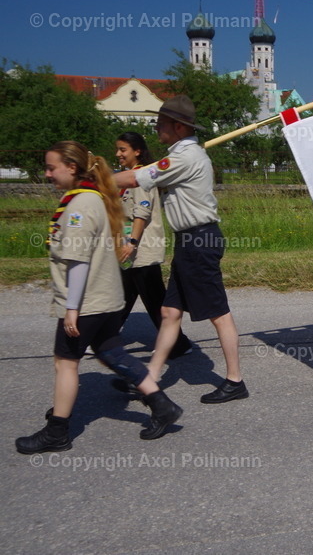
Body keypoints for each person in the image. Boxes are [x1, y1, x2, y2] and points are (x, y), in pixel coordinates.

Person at [16, 141, 183, 453]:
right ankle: (162, 405)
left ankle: (58, 431)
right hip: (106, 297)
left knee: (65, 362)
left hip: (87, 301)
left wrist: (71, 309)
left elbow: (78, 261)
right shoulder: (94, 198)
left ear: (72, 168)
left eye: (52, 167)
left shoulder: (79, 206)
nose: (47, 173)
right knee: (113, 353)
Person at [114, 95, 247, 403]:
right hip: (190, 241)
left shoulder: (183, 158)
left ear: (176, 127)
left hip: (199, 241)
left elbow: (135, 178)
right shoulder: (183, 155)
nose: (156, 128)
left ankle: (235, 380)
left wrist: (95, 181)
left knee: (219, 313)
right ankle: (150, 378)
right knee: (169, 311)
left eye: (160, 123)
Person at [114, 132, 193, 359]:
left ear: (137, 151)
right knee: (124, 295)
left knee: (154, 298)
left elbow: (142, 212)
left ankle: (178, 343)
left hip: (141, 248)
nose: (118, 154)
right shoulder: (128, 176)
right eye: (118, 149)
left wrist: (132, 243)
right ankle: (105, 336)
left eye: (123, 150)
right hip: (130, 250)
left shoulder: (142, 176)